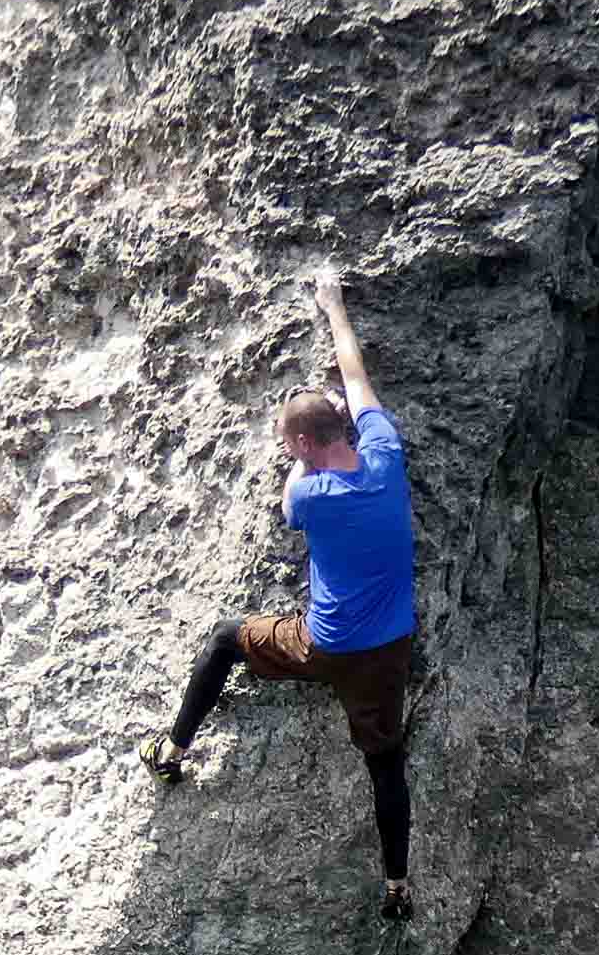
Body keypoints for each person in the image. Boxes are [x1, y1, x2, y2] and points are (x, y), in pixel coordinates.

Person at [143, 269, 422, 920]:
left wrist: (301, 456)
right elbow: (355, 376)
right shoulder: (385, 453)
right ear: (345, 427)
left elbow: (290, 494)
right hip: (389, 651)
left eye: (288, 442)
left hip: (325, 644)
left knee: (224, 638)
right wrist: (334, 305)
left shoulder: (311, 496)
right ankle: (397, 888)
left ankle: (172, 752)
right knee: (386, 764)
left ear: (301, 445)